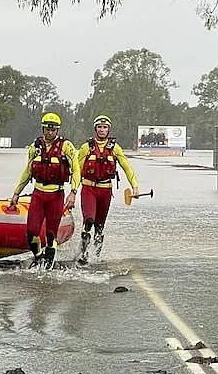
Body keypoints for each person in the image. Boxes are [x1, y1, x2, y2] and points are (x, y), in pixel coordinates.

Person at [9, 112, 81, 269]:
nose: (50, 133)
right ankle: (37, 257)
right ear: (42, 129)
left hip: (56, 194)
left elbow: (76, 171)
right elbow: (27, 172)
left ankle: (49, 263)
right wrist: (16, 193)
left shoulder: (66, 147)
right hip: (38, 194)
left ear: (58, 130)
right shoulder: (34, 147)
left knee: (50, 234)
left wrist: (73, 192)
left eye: (53, 130)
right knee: (32, 232)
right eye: (47, 130)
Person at [76, 114, 140, 265]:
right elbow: (77, 171)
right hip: (88, 188)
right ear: (95, 129)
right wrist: (72, 192)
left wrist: (135, 186)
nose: (102, 130)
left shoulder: (115, 148)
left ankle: (95, 257)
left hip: (105, 190)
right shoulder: (86, 148)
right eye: (99, 127)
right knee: (89, 221)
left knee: (99, 226)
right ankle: (84, 255)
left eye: (105, 127)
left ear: (109, 129)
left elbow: (127, 168)